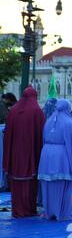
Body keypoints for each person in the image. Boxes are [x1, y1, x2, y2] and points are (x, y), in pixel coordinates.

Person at [38, 99, 72, 220]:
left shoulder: (49, 121)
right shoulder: (70, 123)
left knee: (48, 186)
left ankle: (50, 212)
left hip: (46, 156)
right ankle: (61, 213)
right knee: (62, 186)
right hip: (61, 158)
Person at [2, 86, 45, 218]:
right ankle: (29, 209)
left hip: (15, 153)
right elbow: (41, 134)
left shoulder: (13, 110)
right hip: (30, 153)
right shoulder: (36, 111)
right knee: (30, 183)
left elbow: (7, 134)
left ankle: (17, 209)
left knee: (16, 182)